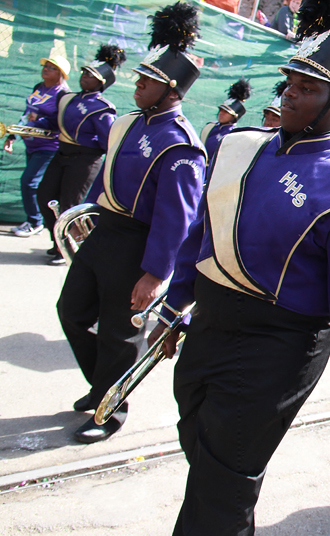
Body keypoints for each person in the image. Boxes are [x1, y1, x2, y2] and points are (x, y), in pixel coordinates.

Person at [147, 2, 330, 536]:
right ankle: (235, 517)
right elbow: (203, 236)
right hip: (211, 320)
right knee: (200, 438)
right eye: (290, 84)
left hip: (279, 345)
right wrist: (175, 306)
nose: (289, 96)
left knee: (221, 473)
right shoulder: (240, 146)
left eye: (307, 89)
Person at [56, 1, 207, 444]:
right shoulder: (125, 123)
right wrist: (79, 219)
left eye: (148, 82)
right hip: (104, 232)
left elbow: (175, 217)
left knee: (120, 334)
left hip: (139, 245)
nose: (137, 86)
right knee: (72, 312)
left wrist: (156, 273)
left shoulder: (181, 145)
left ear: (172, 90)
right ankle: (104, 386)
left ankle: (111, 409)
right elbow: (100, 184)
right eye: (140, 78)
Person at [36, 45, 125, 266]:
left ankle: (68, 248)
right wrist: (32, 125)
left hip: (85, 159)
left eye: (90, 75)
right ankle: (57, 240)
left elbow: (107, 142)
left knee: (69, 204)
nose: (84, 77)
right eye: (84, 72)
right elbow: (55, 122)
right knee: (45, 196)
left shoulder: (102, 108)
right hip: (62, 153)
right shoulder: (67, 98)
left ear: (101, 82)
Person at [4, 54, 71, 238]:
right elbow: (27, 114)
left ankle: (35, 222)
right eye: (46, 66)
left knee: (29, 182)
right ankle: (33, 220)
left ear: (61, 74)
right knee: (31, 183)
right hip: (31, 144)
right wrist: (12, 135)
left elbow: (58, 121)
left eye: (51, 67)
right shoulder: (38, 88)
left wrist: (34, 125)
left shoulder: (63, 94)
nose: (46, 69)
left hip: (48, 147)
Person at [199, 78, 251, 158]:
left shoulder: (235, 134)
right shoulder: (209, 127)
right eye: (221, 110)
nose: (221, 113)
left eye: (226, 112)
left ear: (234, 116)